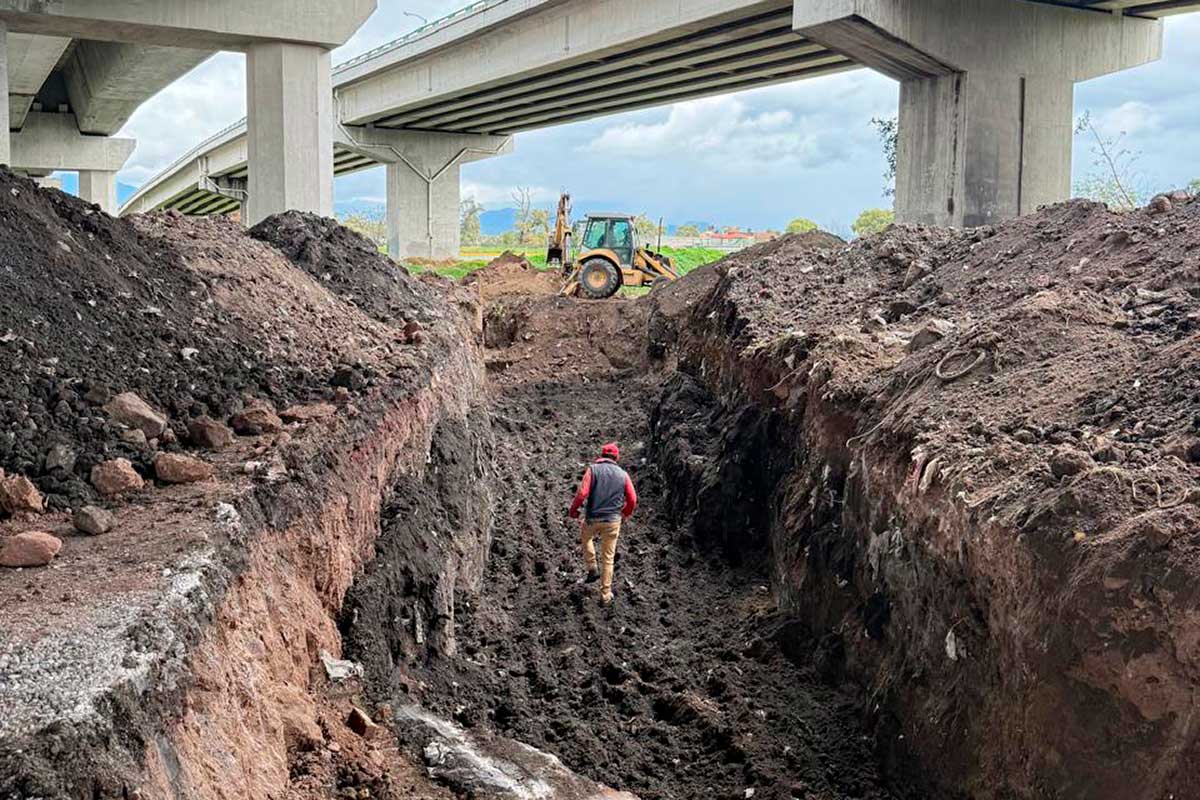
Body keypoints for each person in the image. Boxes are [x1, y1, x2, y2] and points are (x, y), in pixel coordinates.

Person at [568, 442, 637, 604]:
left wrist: (574, 511)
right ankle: (605, 594)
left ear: (601, 455)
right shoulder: (623, 475)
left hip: (592, 518)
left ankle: (592, 567)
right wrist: (625, 513)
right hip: (613, 520)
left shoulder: (593, 470)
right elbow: (632, 499)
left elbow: (582, 493)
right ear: (616, 457)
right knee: (608, 558)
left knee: (586, 538)